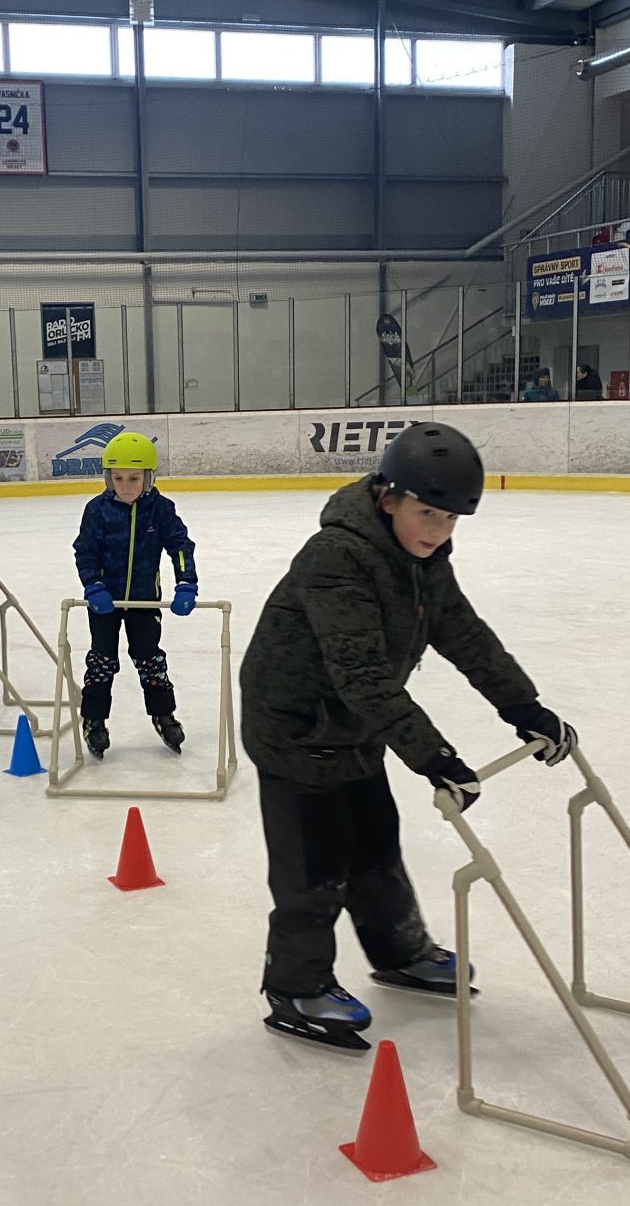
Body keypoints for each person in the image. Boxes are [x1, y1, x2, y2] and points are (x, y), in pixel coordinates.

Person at [238, 422, 576, 1053]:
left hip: (355, 724)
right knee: (315, 866)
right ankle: (296, 987)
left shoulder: (422, 561)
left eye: (450, 520)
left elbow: (464, 635)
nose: (438, 531)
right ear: (388, 496)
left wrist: (523, 707)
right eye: (427, 514)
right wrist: (434, 755)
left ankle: (400, 952)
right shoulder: (336, 557)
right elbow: (361, 673)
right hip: (295, 727)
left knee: (374, 844)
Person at [72, 431, 197, 759]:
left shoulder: (160, 510)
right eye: (118, 478)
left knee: (150, 658)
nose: (125, 486)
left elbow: (180, 545)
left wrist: (186, 582)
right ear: (108, 478)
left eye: (134, 478)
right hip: (104, 601)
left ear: (149, 478)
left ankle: (163, 715)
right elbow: (85, 552)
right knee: (102, 660)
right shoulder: (97, 510)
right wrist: (93, 585)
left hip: (144, 600)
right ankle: (94, 720)